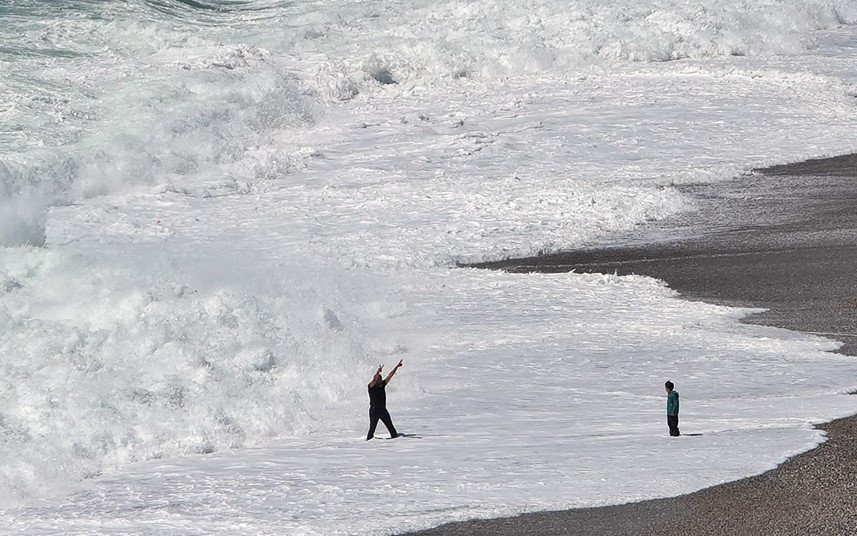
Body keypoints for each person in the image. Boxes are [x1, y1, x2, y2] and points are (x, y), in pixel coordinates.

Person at [366, 359, 403, 440]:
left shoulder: (382, 384)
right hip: (374, 410)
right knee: (372, 430)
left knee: (392, 430)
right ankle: (368, 445)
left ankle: (394, 443)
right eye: (379, 379)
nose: (380, 380)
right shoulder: (371, 386)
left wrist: (397, 366)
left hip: (382, 409)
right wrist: (377, 372)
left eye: (380, 379)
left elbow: (390, 375)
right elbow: (374, 379)